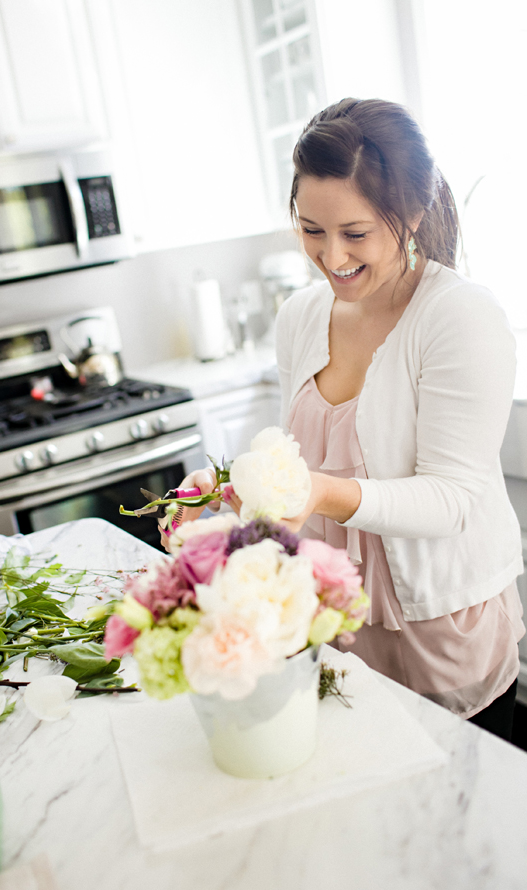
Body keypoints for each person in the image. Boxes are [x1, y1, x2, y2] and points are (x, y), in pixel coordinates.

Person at [171, 98, 525, 741]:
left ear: (413, 214)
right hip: (331, 623)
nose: (332, 257)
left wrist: (319, 493)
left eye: (355, 233)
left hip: (433, 628)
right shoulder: (300, 317)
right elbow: (299, 462)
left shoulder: (460, 319)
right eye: (312, 230)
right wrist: (235, 491)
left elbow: (449, 500)